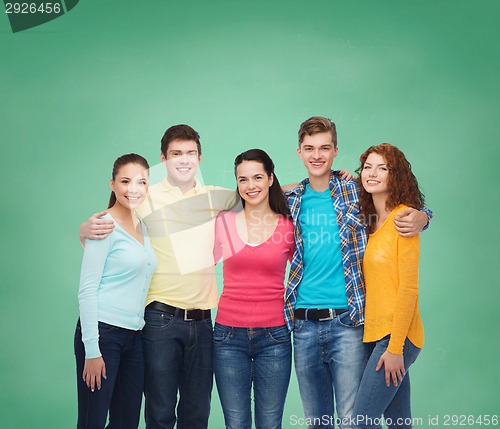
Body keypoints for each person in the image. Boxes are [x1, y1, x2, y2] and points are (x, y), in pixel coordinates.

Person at [79, 125, 239, 429]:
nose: (184, 159)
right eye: (176, 153)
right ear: (163, 159)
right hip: (159, 319)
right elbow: (111, 224)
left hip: (204, 322)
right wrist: (83, 230)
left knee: (196, 415)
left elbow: (259, 192)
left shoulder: (212, 198)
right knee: (160, 412)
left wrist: (323, 178)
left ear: (200, 158)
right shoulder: (145, 196)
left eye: (190, 153)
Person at [283, 117, 432, 429]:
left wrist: (423, 216)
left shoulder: (354, 192)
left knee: (357, 421)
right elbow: (251, 191)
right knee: (325, 422)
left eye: (324, 147)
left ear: (336, 151)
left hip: (350, 323)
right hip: (305, 324)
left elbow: (407, 207)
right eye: (309, 148)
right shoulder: (292, 199)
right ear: (299, 152)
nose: (317, 155)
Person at [74, 153, 158, 429]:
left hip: (134, 337)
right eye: (125, 181)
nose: (133, 189)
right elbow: (87, 289)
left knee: (126, 422)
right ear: (112, 184)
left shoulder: (144, 227)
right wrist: (92, 350)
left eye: (141, 182)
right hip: (103, 334)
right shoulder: (103, 225)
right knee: (93, 421)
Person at [213, 149, 295, 429]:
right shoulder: (222, 221)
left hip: (274, 336)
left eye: (258, 177)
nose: (251, 186)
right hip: (227, 337)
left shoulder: (288, 225)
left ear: (271, 178)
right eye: (243, 180)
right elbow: (197, 261)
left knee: (270, 424)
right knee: (235, 424)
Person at [352, 144, 425, 429]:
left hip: (397, 337)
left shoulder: (405, 219)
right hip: (373, 334)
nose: (372, 173)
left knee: (361, 421)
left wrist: (396, 348)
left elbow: (409, 289)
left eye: (382, 168)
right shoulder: (368, 221)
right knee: (398, 424)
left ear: (397, 176)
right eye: (368, 167)